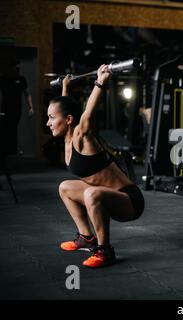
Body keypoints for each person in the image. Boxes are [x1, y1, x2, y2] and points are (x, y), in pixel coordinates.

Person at [47, 65, 145, 268]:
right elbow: (67, 109)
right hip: (104, 195)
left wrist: (100, 81)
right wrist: (65, 87)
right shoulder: (66, 139)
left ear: (68, 120)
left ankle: (105, 251)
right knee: (65, 187)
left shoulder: (81, 136)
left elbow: (86, 116)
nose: (48, 123)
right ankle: (86, 238)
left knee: (92, 193)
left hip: (129, 200)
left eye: (51, 118)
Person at [0, 60, 34, 155]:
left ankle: (12, 150)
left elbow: (27, 94)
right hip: (5, 109)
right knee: (5, 128)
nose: (18, 69)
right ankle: (6, 150)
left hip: (17, 109)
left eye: (19, 67)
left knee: (13, 128)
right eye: (16, 67)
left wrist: (31, 107)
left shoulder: (21, 79)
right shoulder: (3, 79)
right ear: (11, 68)